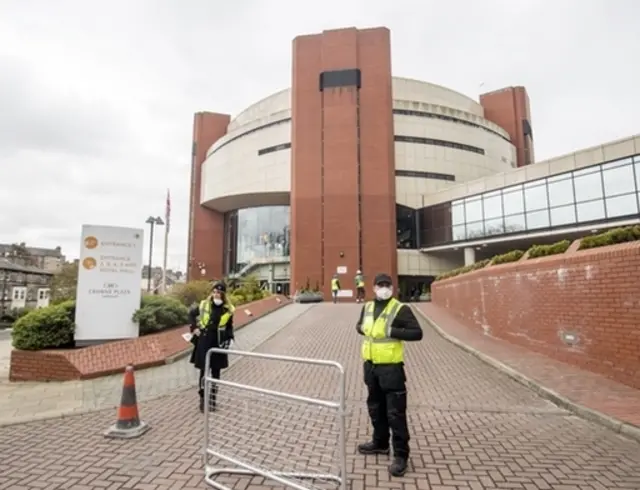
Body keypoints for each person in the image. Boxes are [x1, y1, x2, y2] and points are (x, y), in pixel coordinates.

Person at [355, 273, 423, 477]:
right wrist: (361, 328)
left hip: (391, 369)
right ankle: (380, 442)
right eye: (380, 285)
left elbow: (417, 333)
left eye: (387, 285)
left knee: (395, 413)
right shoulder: (366, 307)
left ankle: (401, 455)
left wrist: (393, 331)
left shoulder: (401, 308)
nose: (383, 288)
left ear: (391, 288)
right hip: (371, 367)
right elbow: (359, 326)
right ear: (374, 287)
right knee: (375, 407)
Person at [189, 281, 236, 413]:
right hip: (205, 340)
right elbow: (192, 314)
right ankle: (203, 400)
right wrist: (193, 328)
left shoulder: (228, 309)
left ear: (223, 295)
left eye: (219, 293)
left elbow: (229, 326)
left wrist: (229, 338)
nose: (216, 294)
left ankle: (213, 400)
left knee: (216, 372)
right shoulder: (204, 304)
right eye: (214, 292)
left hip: (218, 343)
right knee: (204, 371)